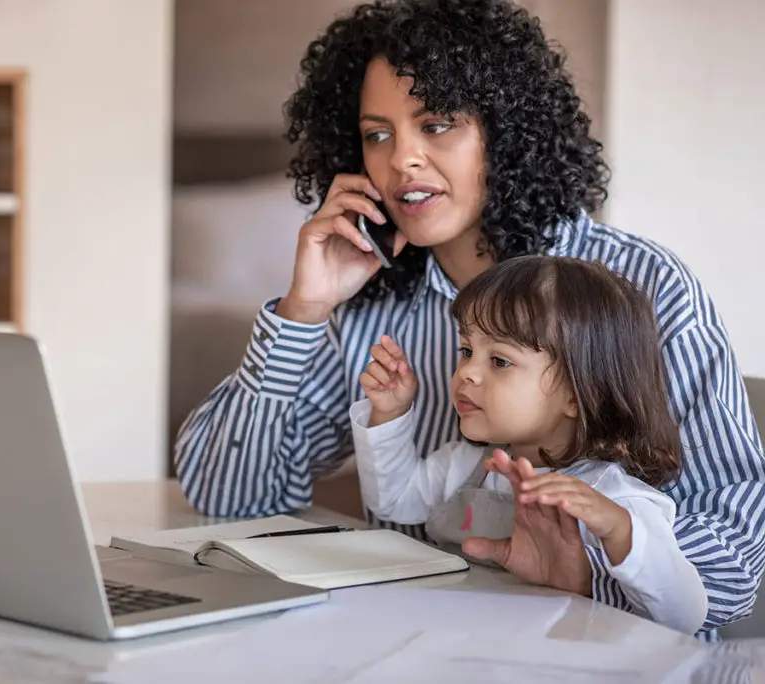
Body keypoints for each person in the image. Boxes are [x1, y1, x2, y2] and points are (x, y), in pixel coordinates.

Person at [173, 0, 765, 640]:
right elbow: (229, 499)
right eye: (378, 134)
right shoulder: (374, 300)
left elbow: (734, 555)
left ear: (505, 132)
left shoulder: (644, 287)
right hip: (415, 644)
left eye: (436, 124)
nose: (402, 161)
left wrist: (584, 580)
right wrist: (303, 310)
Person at [353, 255, 708, 634]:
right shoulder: (468, 466)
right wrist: (389, 414)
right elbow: (392, 499)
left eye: (501, 361)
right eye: (467, 351)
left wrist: (621, 531)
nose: (467, 372)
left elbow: (685, 617)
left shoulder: (612, 500)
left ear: (579, 394)